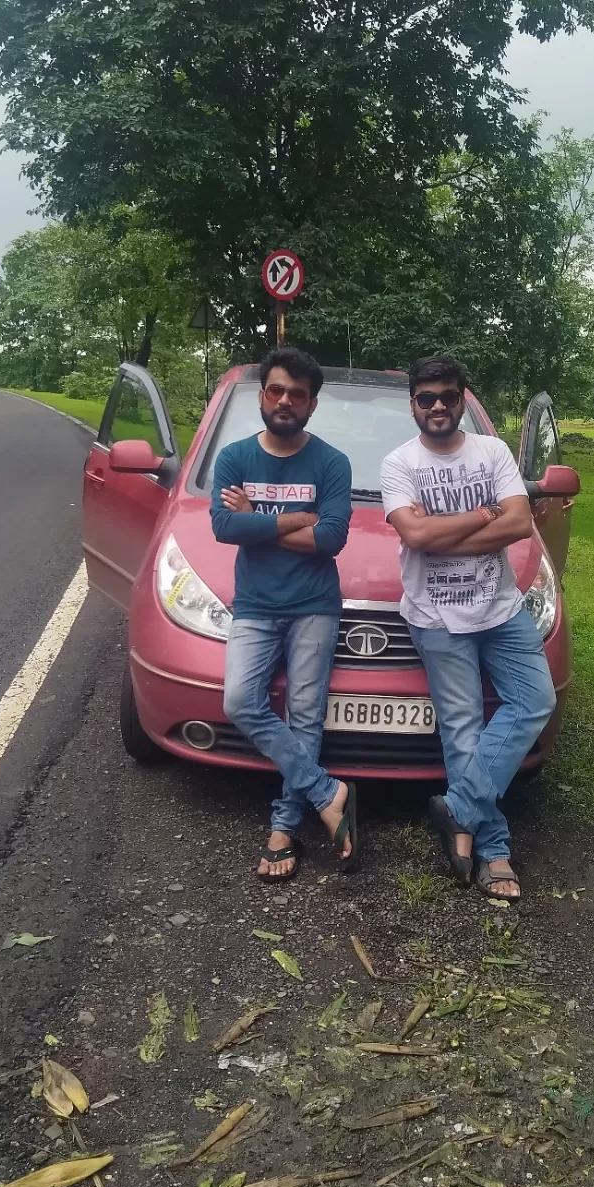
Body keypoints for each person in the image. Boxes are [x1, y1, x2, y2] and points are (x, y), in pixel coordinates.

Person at [380, 354, 556, 901]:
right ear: (412, 403)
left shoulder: (492, 450)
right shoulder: (399, 464)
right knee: (462, 730)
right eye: (427, 398)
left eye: (448, 397)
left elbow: (521, 522)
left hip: (502, 610)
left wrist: (441, 532)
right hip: (437, 618)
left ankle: (457, 808)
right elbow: (415, 537)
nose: (438, 406)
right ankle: (493, 850)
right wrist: (482, 518)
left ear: (462, 398)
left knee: (535, 701)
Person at [211, 347, 356, 880]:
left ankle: (283, 827)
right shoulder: (234, 459)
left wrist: (260, 520)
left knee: (305, 716)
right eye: (276, 390)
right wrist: (298, 518)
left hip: (314, 606)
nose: (286, 400)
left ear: (312, 403)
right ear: (262, 396)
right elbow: (226, 530)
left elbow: (332, 540)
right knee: (240, 701)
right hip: (254, 606)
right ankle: (327, 791)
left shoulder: (332, 462)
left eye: (298, 393)